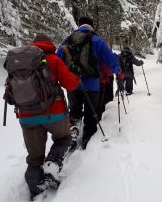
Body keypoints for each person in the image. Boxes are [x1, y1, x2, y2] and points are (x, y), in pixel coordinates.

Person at [18, 33, 79, 199]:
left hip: (27, 116)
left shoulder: (21, 63)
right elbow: (71, 84)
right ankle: (52, 163)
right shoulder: (53, 59)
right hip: (54, 113)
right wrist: (75, 75)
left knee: (34, 158)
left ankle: (35, 187)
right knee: (64, 139)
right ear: (49, 44)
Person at [56, 17, 120, 150]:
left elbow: (58, 59)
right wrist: (118, 71)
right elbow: (110, 59)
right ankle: (88, 138)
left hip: (72, 84)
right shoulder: (97, 40)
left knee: (74, 111)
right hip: (91, 84)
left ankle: (73, 133)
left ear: (79, 26)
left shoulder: (68, 39)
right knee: (91, 113)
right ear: (91, 27)